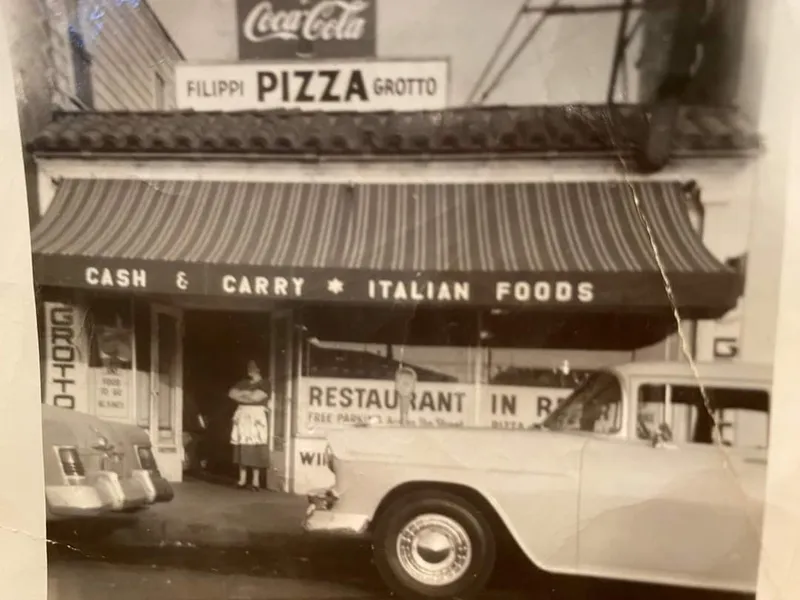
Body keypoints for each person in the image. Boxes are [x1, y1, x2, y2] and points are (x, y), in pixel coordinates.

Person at [229, 359, 271, 490]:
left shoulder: (265, 383)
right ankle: (242, 479)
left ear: (259, 369)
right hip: (242, 417)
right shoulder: (243, 382)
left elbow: (256, 397)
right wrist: (248, 395)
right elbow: (232, 394)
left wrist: (243, 395)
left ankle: (255, 481)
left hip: (256, 418)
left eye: (253, 367)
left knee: (255, 447)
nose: (250, 369)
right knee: (242, 447)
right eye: (249, 367)